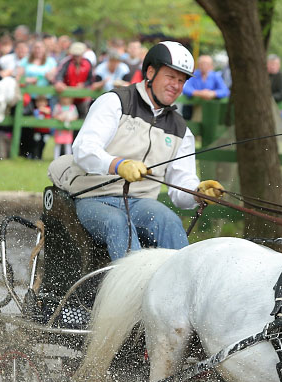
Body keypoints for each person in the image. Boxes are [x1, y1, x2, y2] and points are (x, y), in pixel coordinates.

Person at [48, 41, 225, 260]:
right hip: (93, 198)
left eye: (181, 80)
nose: (176, 85)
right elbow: (84, 149)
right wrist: (118, 165)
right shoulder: (115, 102)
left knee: (169, 220)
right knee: (118, 222)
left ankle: (181, 288)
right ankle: (133, 290)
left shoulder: (181, 130)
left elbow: (180, 187)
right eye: (170, 77)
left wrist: (197, 193)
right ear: (151, 72)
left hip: (142, 203)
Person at [52, 41, 95, 120]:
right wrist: (59, 83)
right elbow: (59, 75)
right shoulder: (67, 62)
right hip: (68, 98)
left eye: (78, 55)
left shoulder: (88, 63)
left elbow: (91, 79)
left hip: (82, 98)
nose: (76, 57)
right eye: (75, 55)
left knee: (84, 118)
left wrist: (84, 85)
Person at [181, 53, 228, 118]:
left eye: (207, 64)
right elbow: (185, 88)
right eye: (202, 63)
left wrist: (213, 93)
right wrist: (200, 93)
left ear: (211, 66)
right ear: (198, 65)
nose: (204, 66)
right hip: (193, 108)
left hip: (210, 109)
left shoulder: (215, 76)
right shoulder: (193, 75)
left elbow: (225, 90)